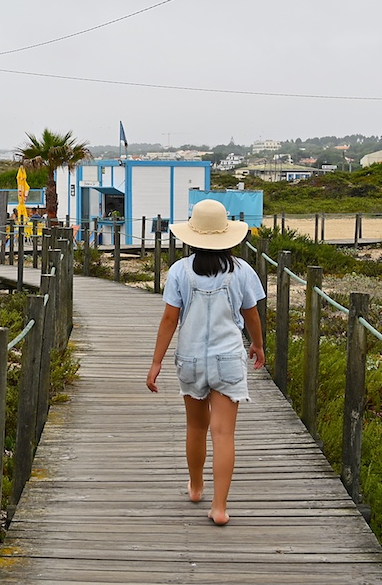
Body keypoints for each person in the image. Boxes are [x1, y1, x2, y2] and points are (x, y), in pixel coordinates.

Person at [145, 199, 265, 526]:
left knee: (196, 426)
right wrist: (257, 344)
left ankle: (196, 487)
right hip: (228, 358)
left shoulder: (180, 271)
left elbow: (170, 319)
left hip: (191, 357)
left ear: (192, 236)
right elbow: (251, 314)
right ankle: (220, 507)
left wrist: (156, 362)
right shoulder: (242, 271)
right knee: (223, 434)